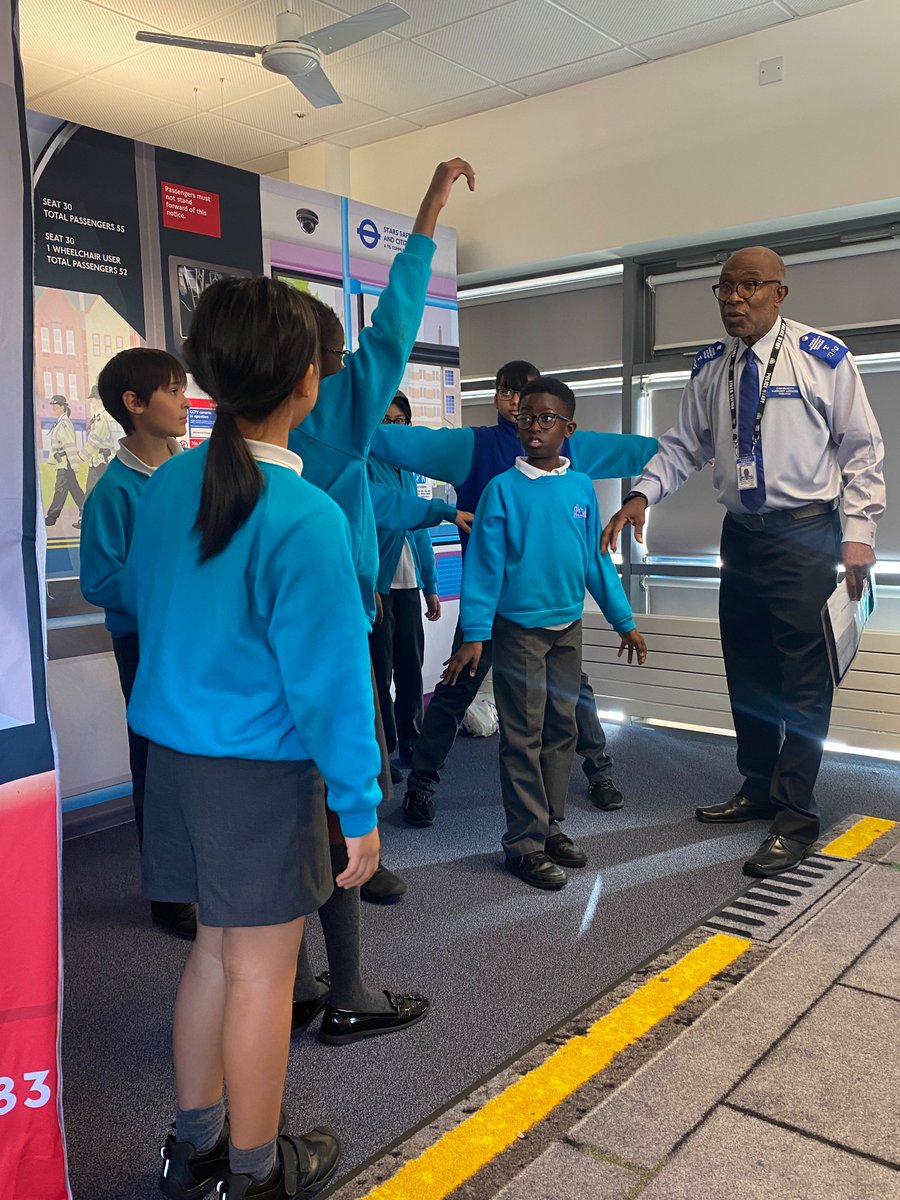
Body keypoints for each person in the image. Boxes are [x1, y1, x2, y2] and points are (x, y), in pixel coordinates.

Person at [121, 277, 381, 1200]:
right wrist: (360, 804)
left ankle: (192, 1150)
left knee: (213, 956)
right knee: (264, 974)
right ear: (307, 381)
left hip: (176, 768)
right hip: (259, 775)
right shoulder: (306, 517)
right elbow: (333, 686)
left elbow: (140, 607)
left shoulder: (169, 484)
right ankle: (256, 1174)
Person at [602, 246, 885, 879]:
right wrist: (642, 494)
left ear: (779, 294)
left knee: (804, 681)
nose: (733, 299)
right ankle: (757, 787)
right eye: (724, 289)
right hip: (744, 538)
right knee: (750, 670)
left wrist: (859, 535)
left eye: (748, 287)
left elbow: (862, 449)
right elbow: (684, 445)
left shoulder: (822, 358)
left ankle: (795, 816)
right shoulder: (712, 367)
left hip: (807, 534)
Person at [286, 158, 474, 1044]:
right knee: (338, 789)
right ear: (315, 376)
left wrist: (439, 506)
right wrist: (428, 210)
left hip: (242, 704)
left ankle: (295, 977)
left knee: (293, 808)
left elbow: (387, 502)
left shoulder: (206, 473)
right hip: (336, 625)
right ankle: (347, 983)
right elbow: (395, 324)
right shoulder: (329, 424)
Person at [369, 361, 659, 827]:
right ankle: (422, 784)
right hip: (487, 606)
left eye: (533, 404)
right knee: (456, 688)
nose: (522, 411)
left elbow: (639, 453)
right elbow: (398, 441)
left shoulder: (573, 457)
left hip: (547, 613)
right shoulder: (473, 446)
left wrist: (703, 446)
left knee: (571, 698)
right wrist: (339, 423)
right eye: (509, 395)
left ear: (561, 421)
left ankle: (599, 772)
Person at [444, 378, 647, 890]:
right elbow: (485, 569)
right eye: (525, 418)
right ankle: (524, 844)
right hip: (519, 632)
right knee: (523, 735)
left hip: (567, 627)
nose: (533, 427)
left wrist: (624, 619)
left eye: (545, 419)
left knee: (562, 729)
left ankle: (550, 826)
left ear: (568, 428)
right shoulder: (502, 491)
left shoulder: (580, 487)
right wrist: (474, 634)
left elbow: (594, 562)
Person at [79, 349, 196, 940]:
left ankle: (197, 876)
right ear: (134, 404)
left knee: (197, 761)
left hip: (197, 643)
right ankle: (167, 892)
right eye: (172, 391)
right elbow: (99, 583)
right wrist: (164, 582)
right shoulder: (113, 491)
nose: (183, 401)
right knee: (155, 764)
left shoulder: (190, 473)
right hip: (146, 647)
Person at [369, 392, 471, 782]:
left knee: (411, 669)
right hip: (377, 585)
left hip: (408, 584)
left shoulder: (409, 472)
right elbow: (389, 514)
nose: (395, 428)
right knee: (379, 673)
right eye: (387, 420)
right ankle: (383, 752)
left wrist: (431, 587)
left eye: (401, 421)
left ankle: (411, 742)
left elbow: (422, 534)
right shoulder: (365, 464)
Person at [45, 394, 85, 528]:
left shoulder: (64, 423)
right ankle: (87, 509)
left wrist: (74, 464)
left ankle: (52, 517)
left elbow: (69, 444)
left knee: (60, 488)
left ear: (63, 407)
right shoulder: (60, 422)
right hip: (62, 461)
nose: (54, 409)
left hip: (65, 462)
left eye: (56, 407)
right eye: (53, 407)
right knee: (74, 489)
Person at [82, 385, 116, 493]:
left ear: (98, 401)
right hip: (95, 461)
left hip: (103, 461)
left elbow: (95, 441)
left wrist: (81, 456)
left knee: (107, 491)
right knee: (90, 491)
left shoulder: (102, 418)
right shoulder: (96, 418)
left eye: (93, 400)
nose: (91, 403)